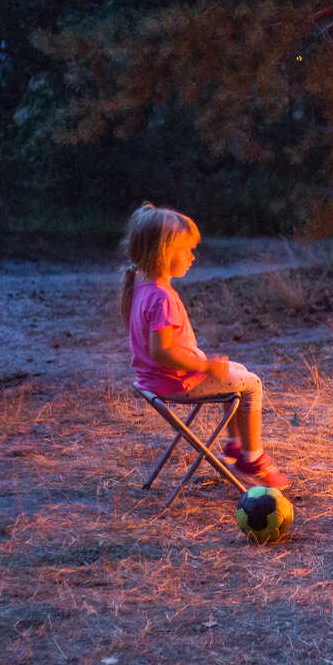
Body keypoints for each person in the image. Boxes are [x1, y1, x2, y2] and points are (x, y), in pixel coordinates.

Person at [120, 202, 290, 489]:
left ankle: (235, 445)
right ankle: (253, 457)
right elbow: (162, 351)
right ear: (165, 254)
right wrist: (205, 364)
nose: (192, 257)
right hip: (176, 383)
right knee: (253, 383)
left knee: (236, 370)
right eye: (186, 250)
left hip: (152, 381)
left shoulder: (143, 290)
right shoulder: (163, 298)